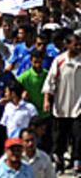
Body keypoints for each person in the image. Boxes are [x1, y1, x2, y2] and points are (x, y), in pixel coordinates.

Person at [42, 30, 81, 173]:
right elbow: (50, 82)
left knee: (78, 136)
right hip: (60, 106)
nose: (78, 47)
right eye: (75, 45)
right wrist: (47, 100)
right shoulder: (59, 61)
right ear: (67, 45)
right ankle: (59, 163)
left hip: (78, 107)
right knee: (59, 138)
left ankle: (76, 162)